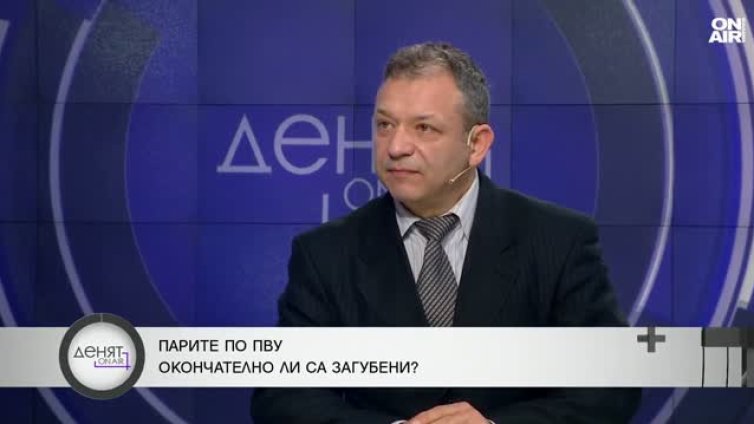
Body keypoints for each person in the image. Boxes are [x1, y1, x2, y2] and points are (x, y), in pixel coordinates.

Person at [251, 42, 641, 423]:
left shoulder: (559, 241)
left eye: (424, 128)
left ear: (477, 144)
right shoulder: (325, 254)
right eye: (385, 125)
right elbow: (283, 397)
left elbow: (611, 387)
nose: (396, 146)